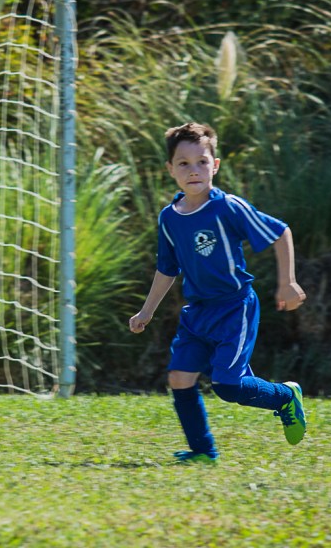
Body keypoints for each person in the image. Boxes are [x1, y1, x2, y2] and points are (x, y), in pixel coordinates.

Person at [129, 122, 307, 464]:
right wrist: (146, 311)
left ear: (216, 165)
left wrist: (287, 282)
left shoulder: (228, 207)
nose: (193, 170)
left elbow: (280, 232)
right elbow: (167, 268)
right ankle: (203, 451)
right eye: (183, 163)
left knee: (228, 386)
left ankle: (285, 397)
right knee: (179, 378)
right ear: (170, 169)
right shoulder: (169, 218)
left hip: (234, 308)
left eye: (202, 162)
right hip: (196, 313)